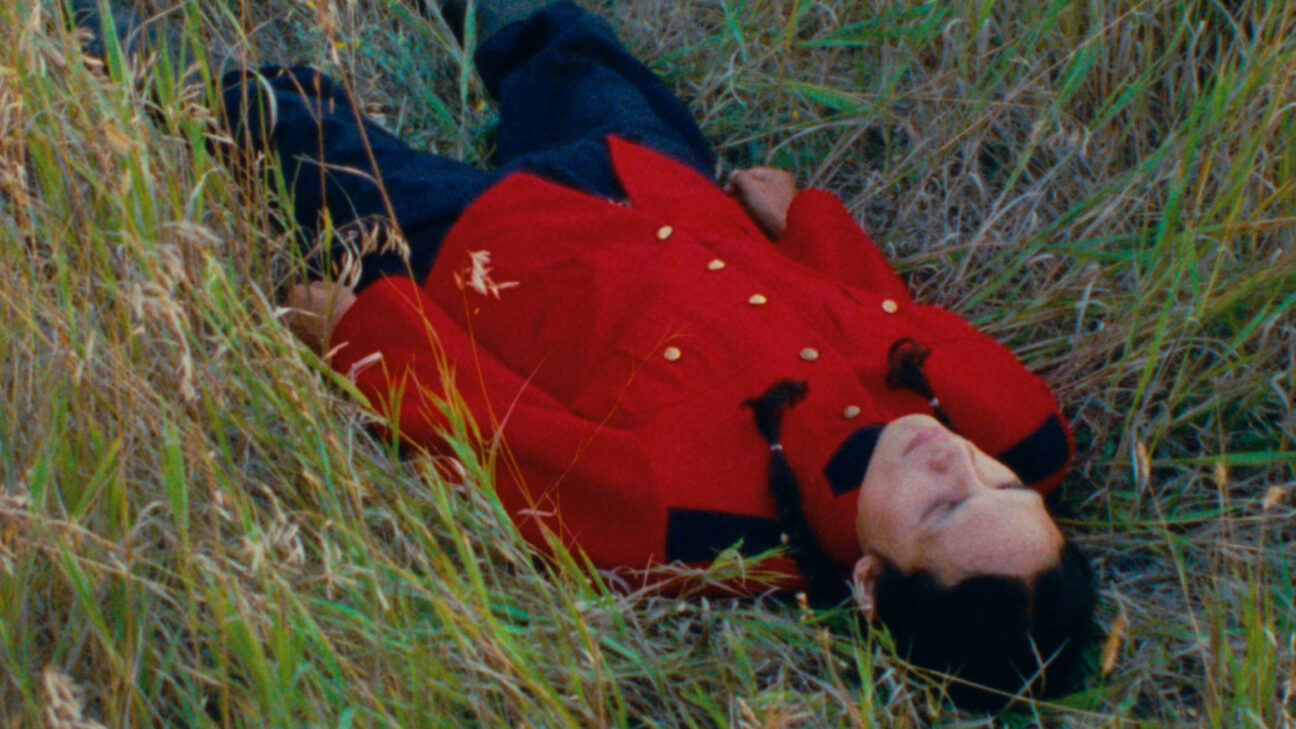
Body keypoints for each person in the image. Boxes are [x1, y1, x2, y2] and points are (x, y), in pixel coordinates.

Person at [83, 0, 1098, 708]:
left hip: (492, 249)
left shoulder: (698, 527)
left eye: (944, 508)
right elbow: (890, 315)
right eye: (1000, 484)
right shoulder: (1013, 431)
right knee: (561, 41)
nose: (956, 460)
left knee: (281, 127)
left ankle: (77, 43)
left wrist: (366, 336)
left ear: (870, 584)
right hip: (654, 186)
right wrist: (806, 224)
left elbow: (503, 441)